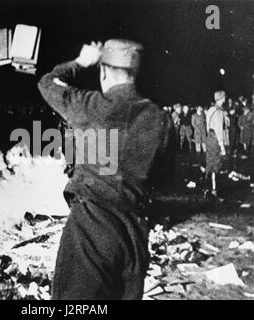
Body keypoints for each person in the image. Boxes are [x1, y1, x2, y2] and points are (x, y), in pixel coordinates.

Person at [38, 39, 173, 300]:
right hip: (134, 234)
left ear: (103, 71)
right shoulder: (160, 119)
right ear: (135, 73)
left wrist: (79, 63)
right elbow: (164, 178)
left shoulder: (89, 105)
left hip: (91, 228)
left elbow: (47, 83)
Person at [204, 91, 227, 196]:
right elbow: (219, 130)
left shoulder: (210, 109)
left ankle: (207, 187)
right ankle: (215, 189)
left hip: (209, 137)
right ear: (222, 98)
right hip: (215, 138)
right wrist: (222, 146)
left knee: (209, 161)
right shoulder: (218, 112)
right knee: (216, 162)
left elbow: (208, 126)